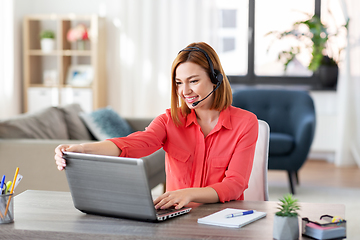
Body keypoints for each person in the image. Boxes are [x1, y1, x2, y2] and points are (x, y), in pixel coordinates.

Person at [55, 42, 258, 210]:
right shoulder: (170, 120)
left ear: (216, 79)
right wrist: (82, 149)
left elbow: (234, 185)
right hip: (179, 217)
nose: (184, 91)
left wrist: (188, 194)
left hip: (224, 218)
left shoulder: (245, 123)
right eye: (178, 83)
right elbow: (133, 144)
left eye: (193, 81)